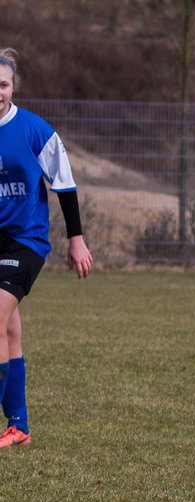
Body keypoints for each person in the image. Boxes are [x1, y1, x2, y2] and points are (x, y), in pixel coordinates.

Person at [0, 48, 93, 448]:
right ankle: (18, 426)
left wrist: (76, 239)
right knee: (8, 329)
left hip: (26, 241)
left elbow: (65, 184)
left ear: (12, 86)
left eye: (2, 84)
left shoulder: (35, 130)